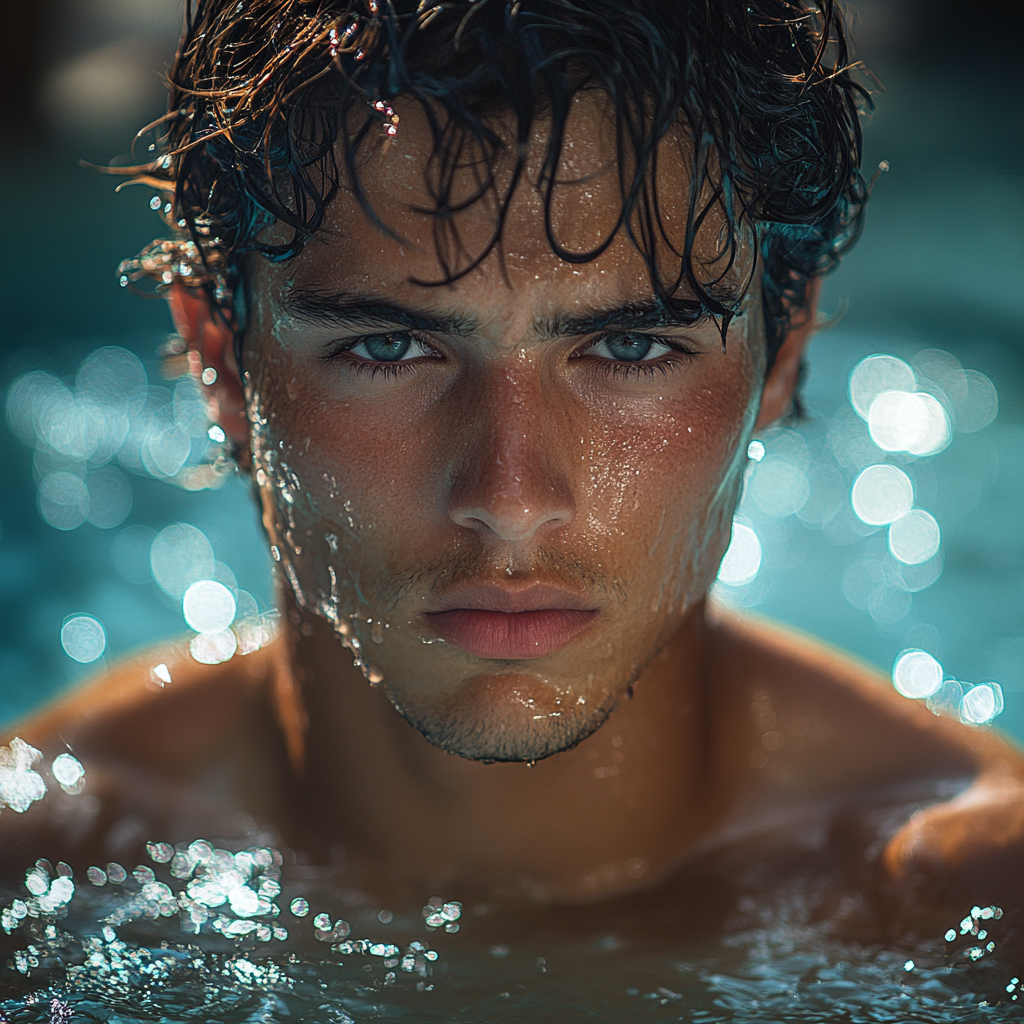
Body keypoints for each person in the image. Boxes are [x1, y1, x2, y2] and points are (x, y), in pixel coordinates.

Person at [3, 0, 1022, 948]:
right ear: (223, 365)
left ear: (782, 358)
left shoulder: (975, 893)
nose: (509, 497)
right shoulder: (37, 862)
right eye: (390, 349)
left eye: (629, 349)